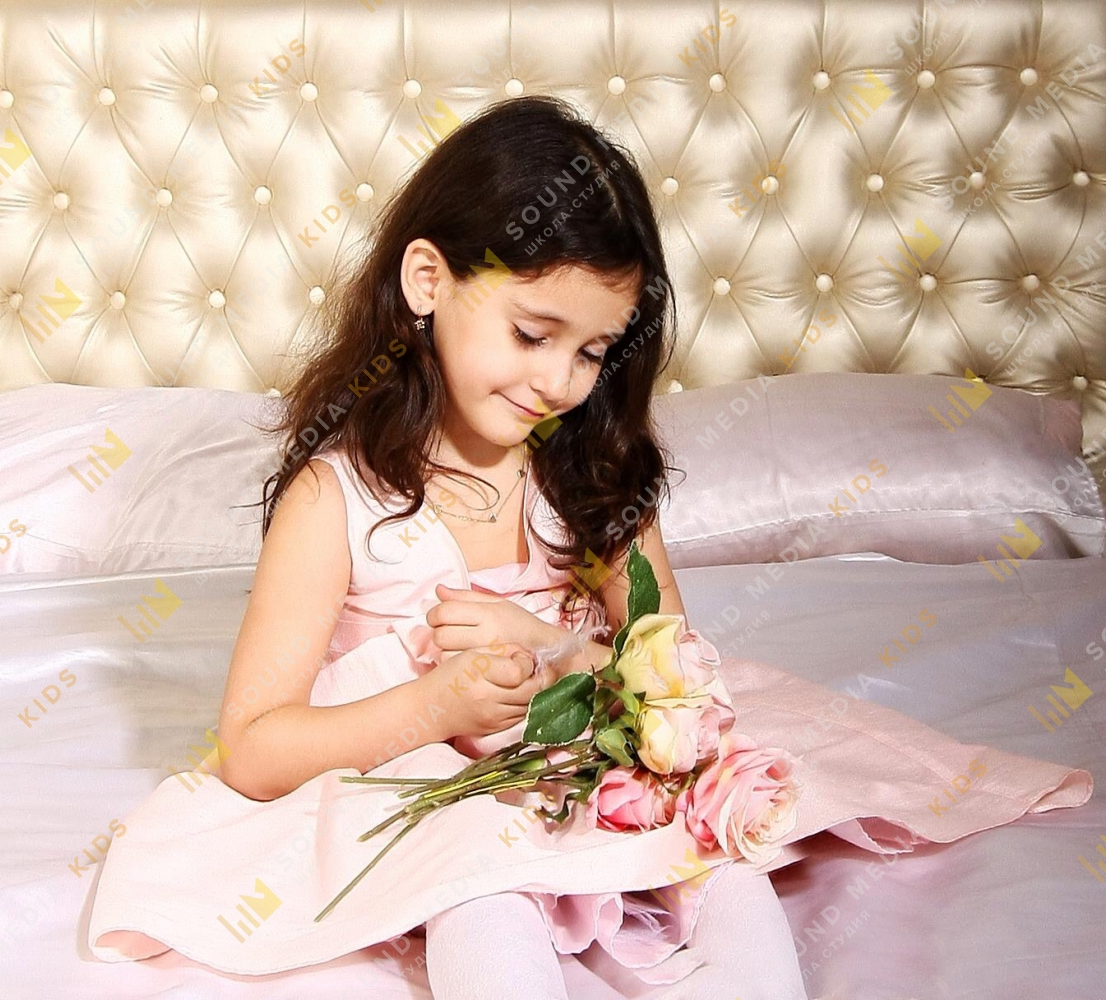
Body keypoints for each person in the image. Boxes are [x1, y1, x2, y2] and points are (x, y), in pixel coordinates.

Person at [85, 95, 1089, 999]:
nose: (561, 382)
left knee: (720, 854)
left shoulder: (592, 477)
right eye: (533, 334)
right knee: (482, 875)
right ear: (428, 280)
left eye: (593, 352)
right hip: (430, 779)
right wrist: (435, 707)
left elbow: (674, 674)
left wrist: (557, 650)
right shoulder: (337, 498)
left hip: (600, 757)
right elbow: (255, 749)